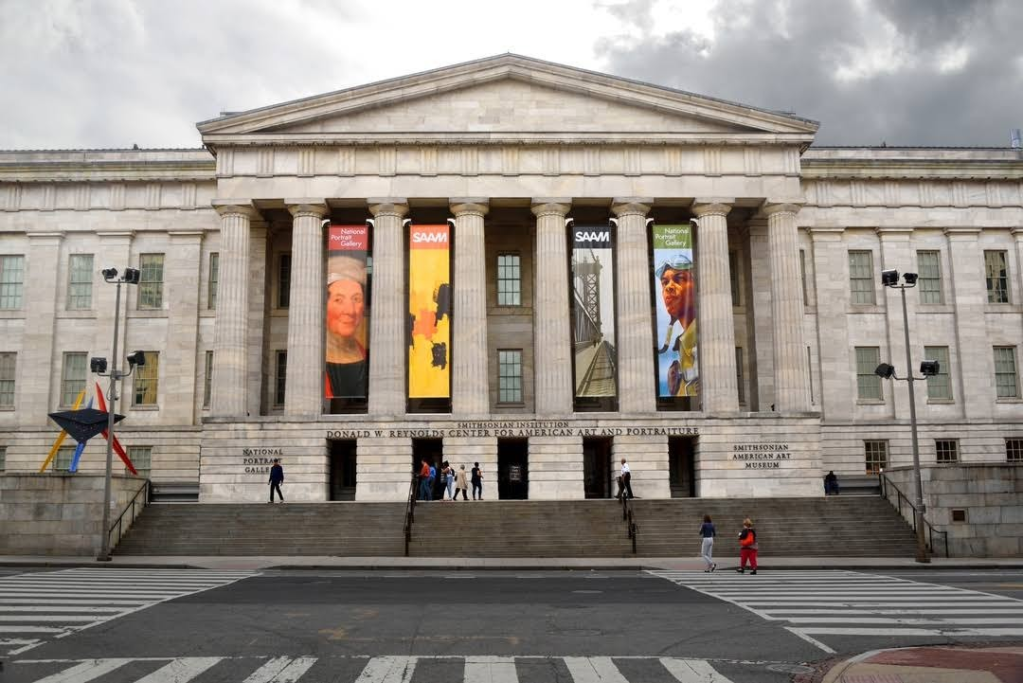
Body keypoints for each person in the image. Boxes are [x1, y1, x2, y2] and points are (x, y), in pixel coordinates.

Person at [324, 257, 368, 400]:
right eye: (339, 300)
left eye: (356, 299)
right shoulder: (313, 359)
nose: (350, 311)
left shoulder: (363, 352)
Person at [656, 255, 698, 397]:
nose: (669, 287)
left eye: (679, 279)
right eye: (664, 283)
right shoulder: (683, 340)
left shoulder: (697, 338)